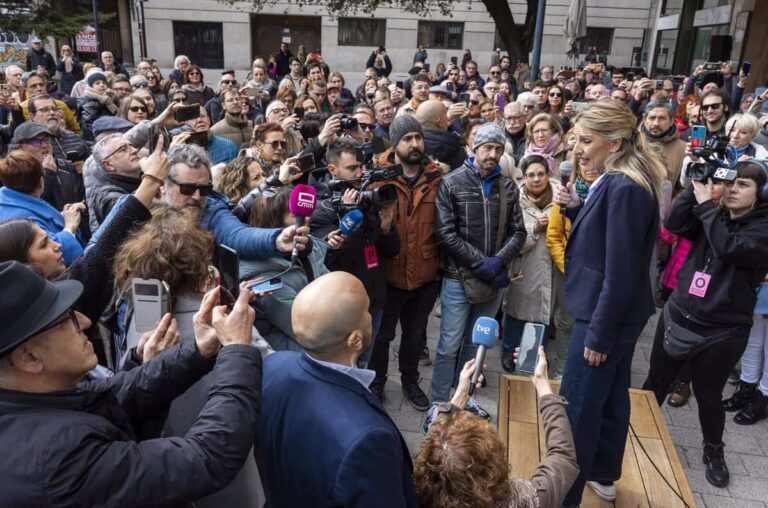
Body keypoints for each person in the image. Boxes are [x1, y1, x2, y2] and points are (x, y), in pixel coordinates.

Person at [0, 260, 263, 507]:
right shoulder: (57, 462)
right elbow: (206, 458)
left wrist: (199, 350)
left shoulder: (36, 400)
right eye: (66, 319)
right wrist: (237, 348)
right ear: (29, 357)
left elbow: (118, 392)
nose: (85, 321)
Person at [554, 100, 665, 506]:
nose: (577, 149)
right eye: (576, 140)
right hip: (615, 313)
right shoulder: (619, 179)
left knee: (578, 409)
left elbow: (620, 273)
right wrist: (576, 208)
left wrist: (599, 335)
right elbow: (608, 243)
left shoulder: (624, 187)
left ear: (614, 143)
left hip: (603, 317)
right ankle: (602, 473)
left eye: (586, 141)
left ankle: (563, 495)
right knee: (613, 396)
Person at [643, 160, 768, 488]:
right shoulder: (713, 212)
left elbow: (728, 247)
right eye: (730, 182)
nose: (732, 189)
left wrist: (707, 207)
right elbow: (675, 222)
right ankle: (631, 432)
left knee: (708, 395)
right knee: (655, 382)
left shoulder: (762, 228)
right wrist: (693, 187)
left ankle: (714, 450)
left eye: (743, 185)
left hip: (722, 331)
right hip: (678, 315)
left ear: (762, 194)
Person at [259, 271, 418, 507]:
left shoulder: (272, 366)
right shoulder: (369, 439)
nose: (371, 315)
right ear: (355, 340)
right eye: (366, 310)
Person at [430, 122, 526, 418]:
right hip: (458, 277)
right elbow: (445, 233)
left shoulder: (508, 187)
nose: (492, 154)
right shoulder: (452, 182)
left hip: (493, 279)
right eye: (487, 147)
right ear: (475, 148)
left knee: (476, 346)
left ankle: (465, 397)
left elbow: (518, 231)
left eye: (498, 148)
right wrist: (479, 262)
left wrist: (497, 261)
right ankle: (439, 403)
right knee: (448, 345)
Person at [415, 349, 579, 508]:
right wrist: (543, 386)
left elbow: (432, 440)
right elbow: (563, 457)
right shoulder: (523, 501)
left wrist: (460, 396)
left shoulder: (415, 492)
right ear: (494, 465)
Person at [367, 116, 443, 409]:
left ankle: (410, 380)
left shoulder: (437, 180)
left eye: (418, 138)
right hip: (388, 276)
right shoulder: (378, 180)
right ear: (395, 144)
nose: (414, 144)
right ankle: (377, 382)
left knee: (414, 335)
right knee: (382, 336)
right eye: (407, 139)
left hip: (424, 276)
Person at [243, 187, 331, 351]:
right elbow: (307, 329)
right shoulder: (266, 278)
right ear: (274, 220)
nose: (307, 218)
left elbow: (331, 286)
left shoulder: (306, 249)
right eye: (295, 214)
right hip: (297, 354)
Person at [501, 155, 560, 370]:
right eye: (531, 175)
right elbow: (511, 243)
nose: (536, 179)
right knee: (516, 314)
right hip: (523, 268)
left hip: (551, 270)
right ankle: (509, 352)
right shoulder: (515, 201)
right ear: (524, 177)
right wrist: (534, 229)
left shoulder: (560, 200)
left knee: (543, 315)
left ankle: (536, 355)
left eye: (541, 174)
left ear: (548, 175)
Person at [0, 151, 84, 265]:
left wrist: (64, 216)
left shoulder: (6, 201)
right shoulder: (23, 220)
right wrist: (70, 226)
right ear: (41, 181)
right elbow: (51, 251)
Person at [416, 99, 466, 170]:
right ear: (439, 122)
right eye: (446, 116)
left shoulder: (412, 147)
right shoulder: (454, 147)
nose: (448, 119)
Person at [78, 71, 119, 141]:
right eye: (97, 83)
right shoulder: (90, 103)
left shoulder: (107, 99)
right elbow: (89, 126)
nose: (102, 85)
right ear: (91, 86)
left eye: (104, 83)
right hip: (96, 139)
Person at [521, 112, 565, 177]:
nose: (540, 135)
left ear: (554, 131)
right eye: (536, 131)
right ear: (531, 134)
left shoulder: (565, 154)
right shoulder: (526, 156)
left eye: (544, 130)